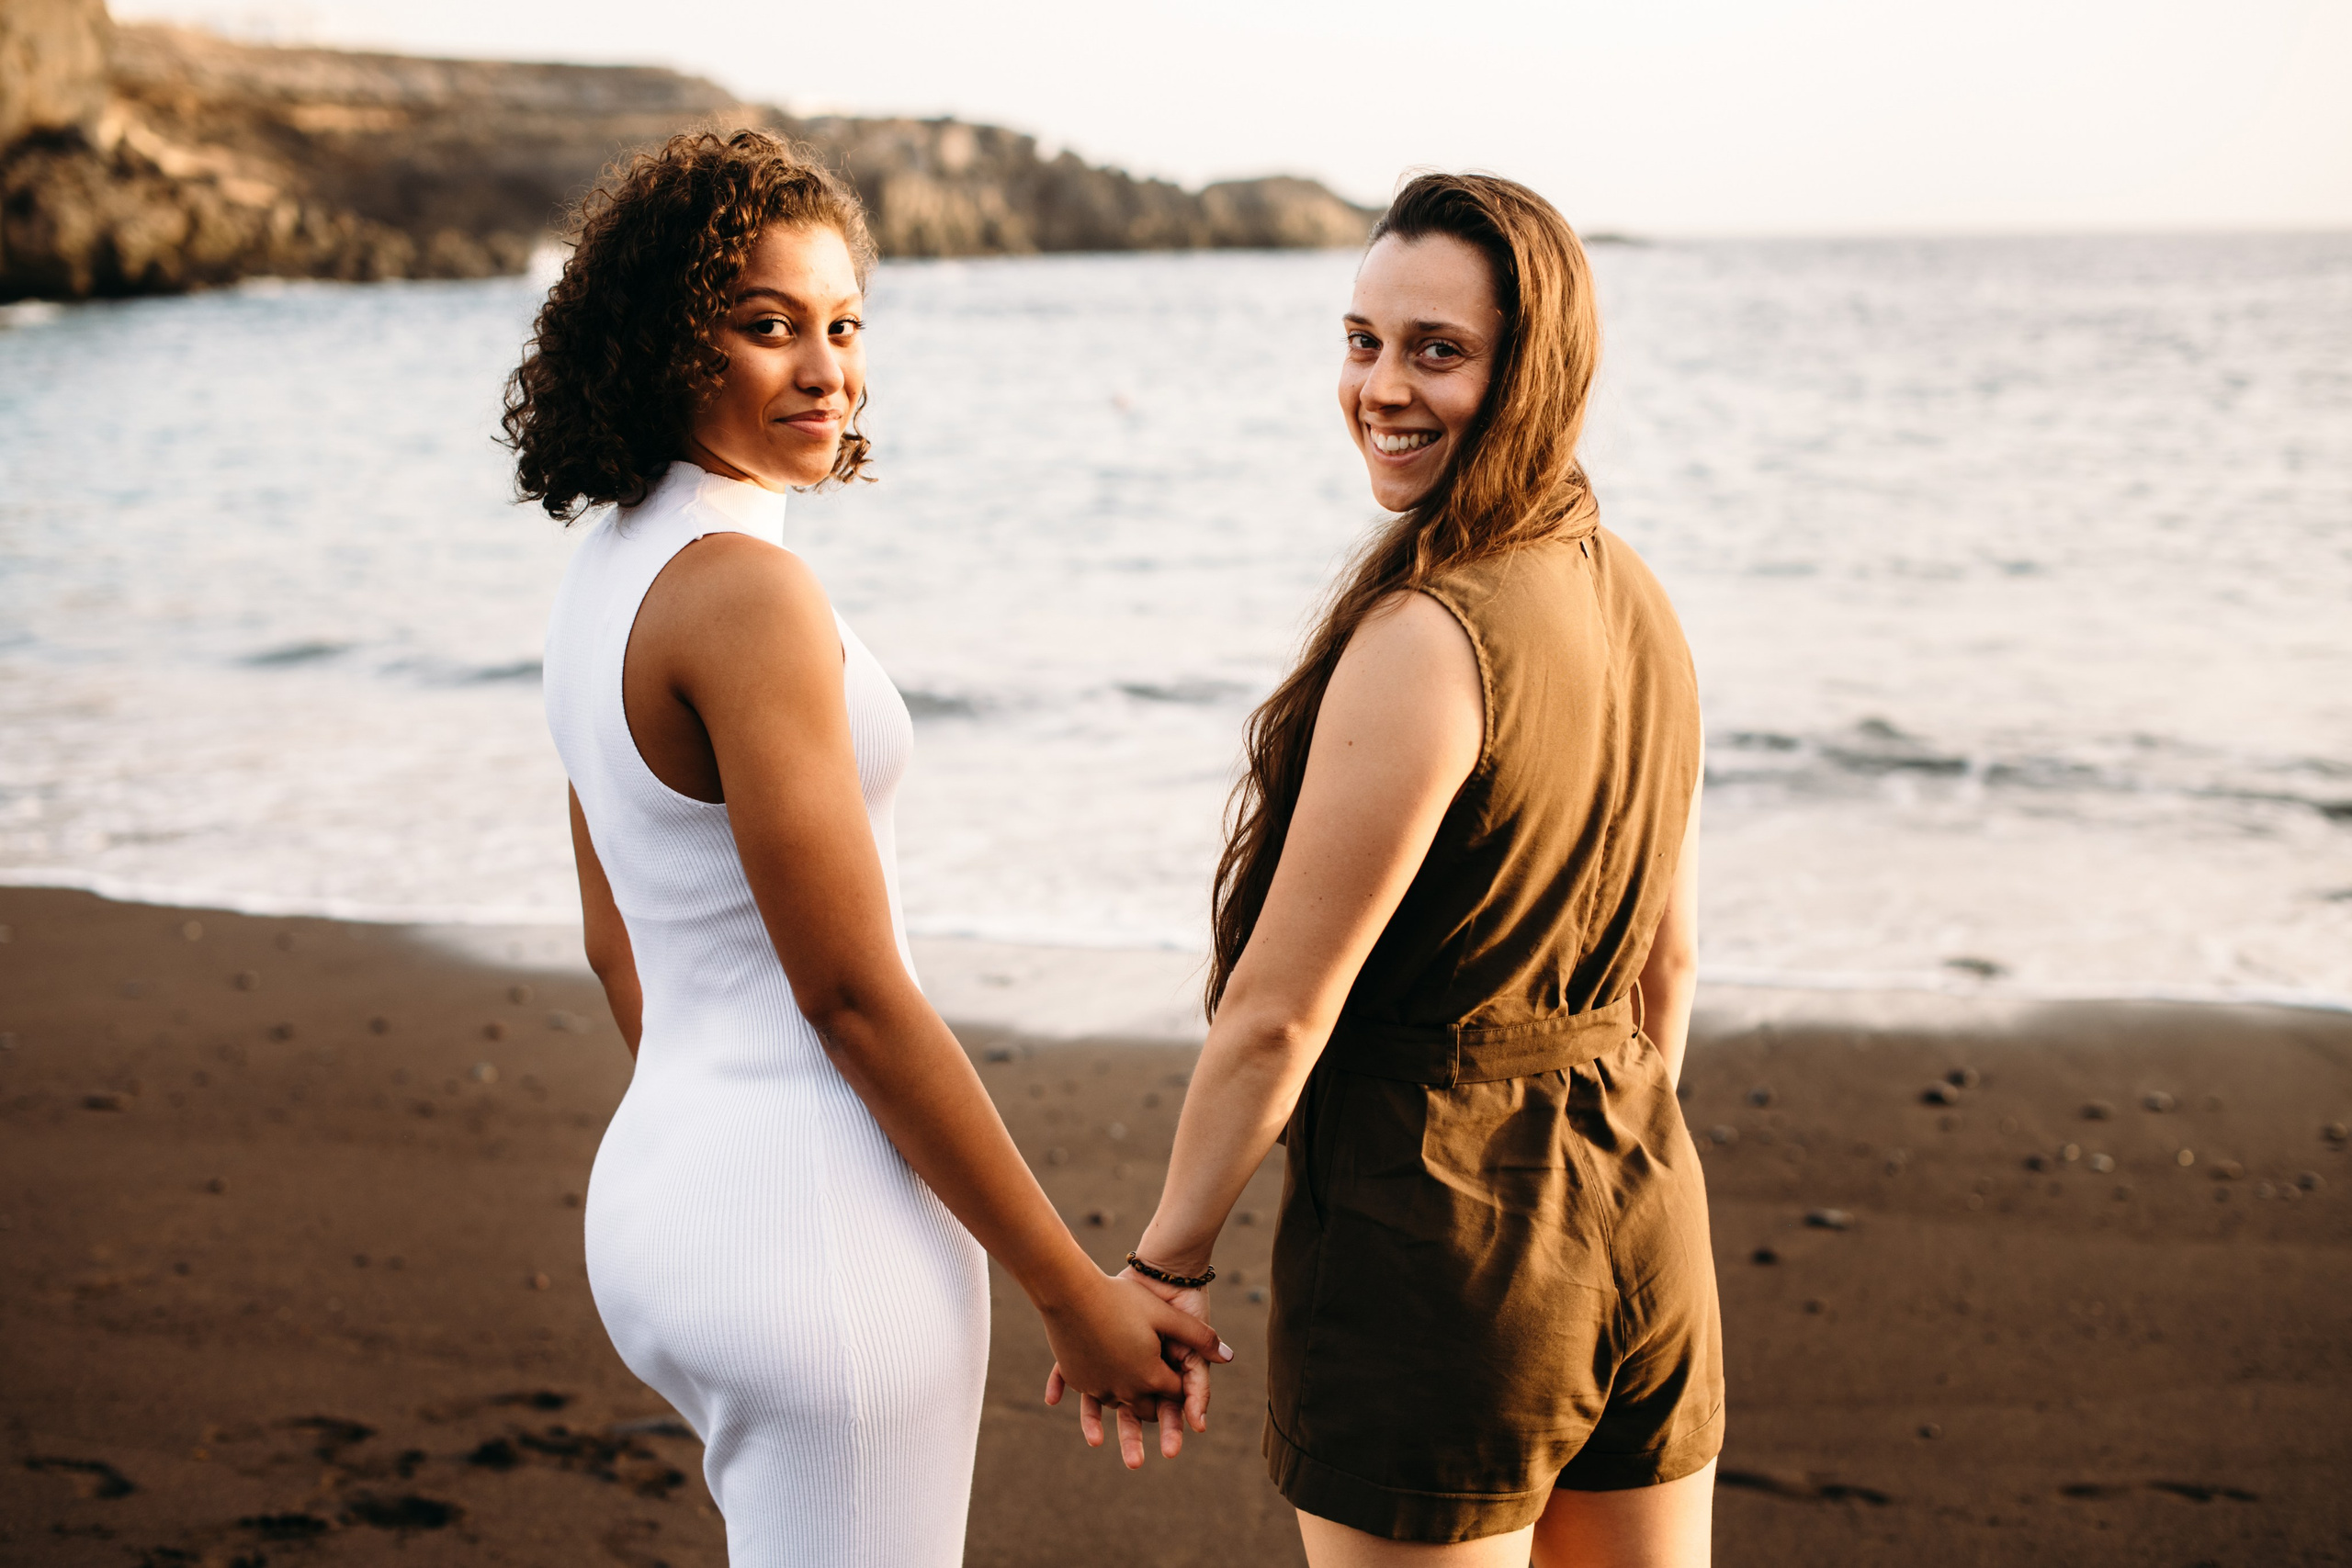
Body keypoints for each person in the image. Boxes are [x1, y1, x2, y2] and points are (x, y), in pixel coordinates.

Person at [505, 130, 1227, 1566]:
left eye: (843, 325)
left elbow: (617, 943)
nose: (826, 369)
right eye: (768, 324)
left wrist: (717, 1144)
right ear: (665, 340)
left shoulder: (609, 569)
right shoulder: (747, 595)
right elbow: (847, 995)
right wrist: (1071, 1292)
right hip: (812, 1240)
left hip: (666, 1197)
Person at [1078, 173, 1723, 1564]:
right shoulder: (1640, 598)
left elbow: (1280, 1013)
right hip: (1646, 1221)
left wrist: (1165, 1262)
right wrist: (1609, 1178)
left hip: (1441, 1253)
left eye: (1438, 350)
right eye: (1362, 341)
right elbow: (1668, 968)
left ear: (1531, 371)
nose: (1382, 386)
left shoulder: (1433, 634)